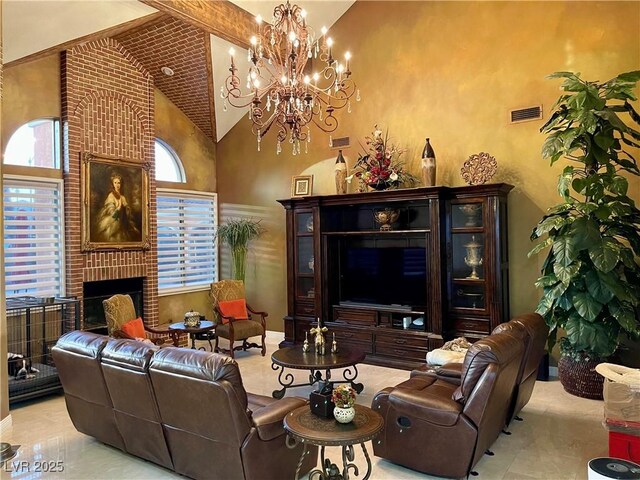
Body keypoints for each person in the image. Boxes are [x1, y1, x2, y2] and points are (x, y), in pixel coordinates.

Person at [94, 173, 140, 242]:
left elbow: (128, 212)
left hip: (123, 220)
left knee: (134, 232)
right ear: (113, 184)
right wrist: (118, 208)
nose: (117, 185)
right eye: (115, 183)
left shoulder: (123, 197)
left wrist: (126, 209)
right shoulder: (111, 196)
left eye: (119, 183)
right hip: (113, 219)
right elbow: (111, 211)